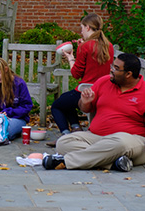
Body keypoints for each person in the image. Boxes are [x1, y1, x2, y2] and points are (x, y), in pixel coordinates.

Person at [43, 53, 145, 172]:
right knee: (63, 143)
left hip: (132, 141)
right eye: (112, 66)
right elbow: (85, 109)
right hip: (97, 138)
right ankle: (115, 163)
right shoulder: (104, 81)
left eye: (116, 68)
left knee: (120, 143)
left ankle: (64, 162)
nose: (111, 70)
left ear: (128, 74)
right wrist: (85, 102)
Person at [49, 13, 114, 144]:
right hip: (104, 91)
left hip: (87, 91)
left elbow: (76, 73)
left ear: (88, 28)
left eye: (82, 28)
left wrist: (70, 58)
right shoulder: (109, 45)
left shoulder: (85, 46)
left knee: (57, 106)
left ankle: (66, 136)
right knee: (66, 100)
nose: (81, 31)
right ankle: (76, 128)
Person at [0, 57, 33, 140]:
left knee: (5, 131)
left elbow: (26, 106)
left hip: (15, 118)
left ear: (5, 70)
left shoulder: (19, 83)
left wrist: (9, 112)